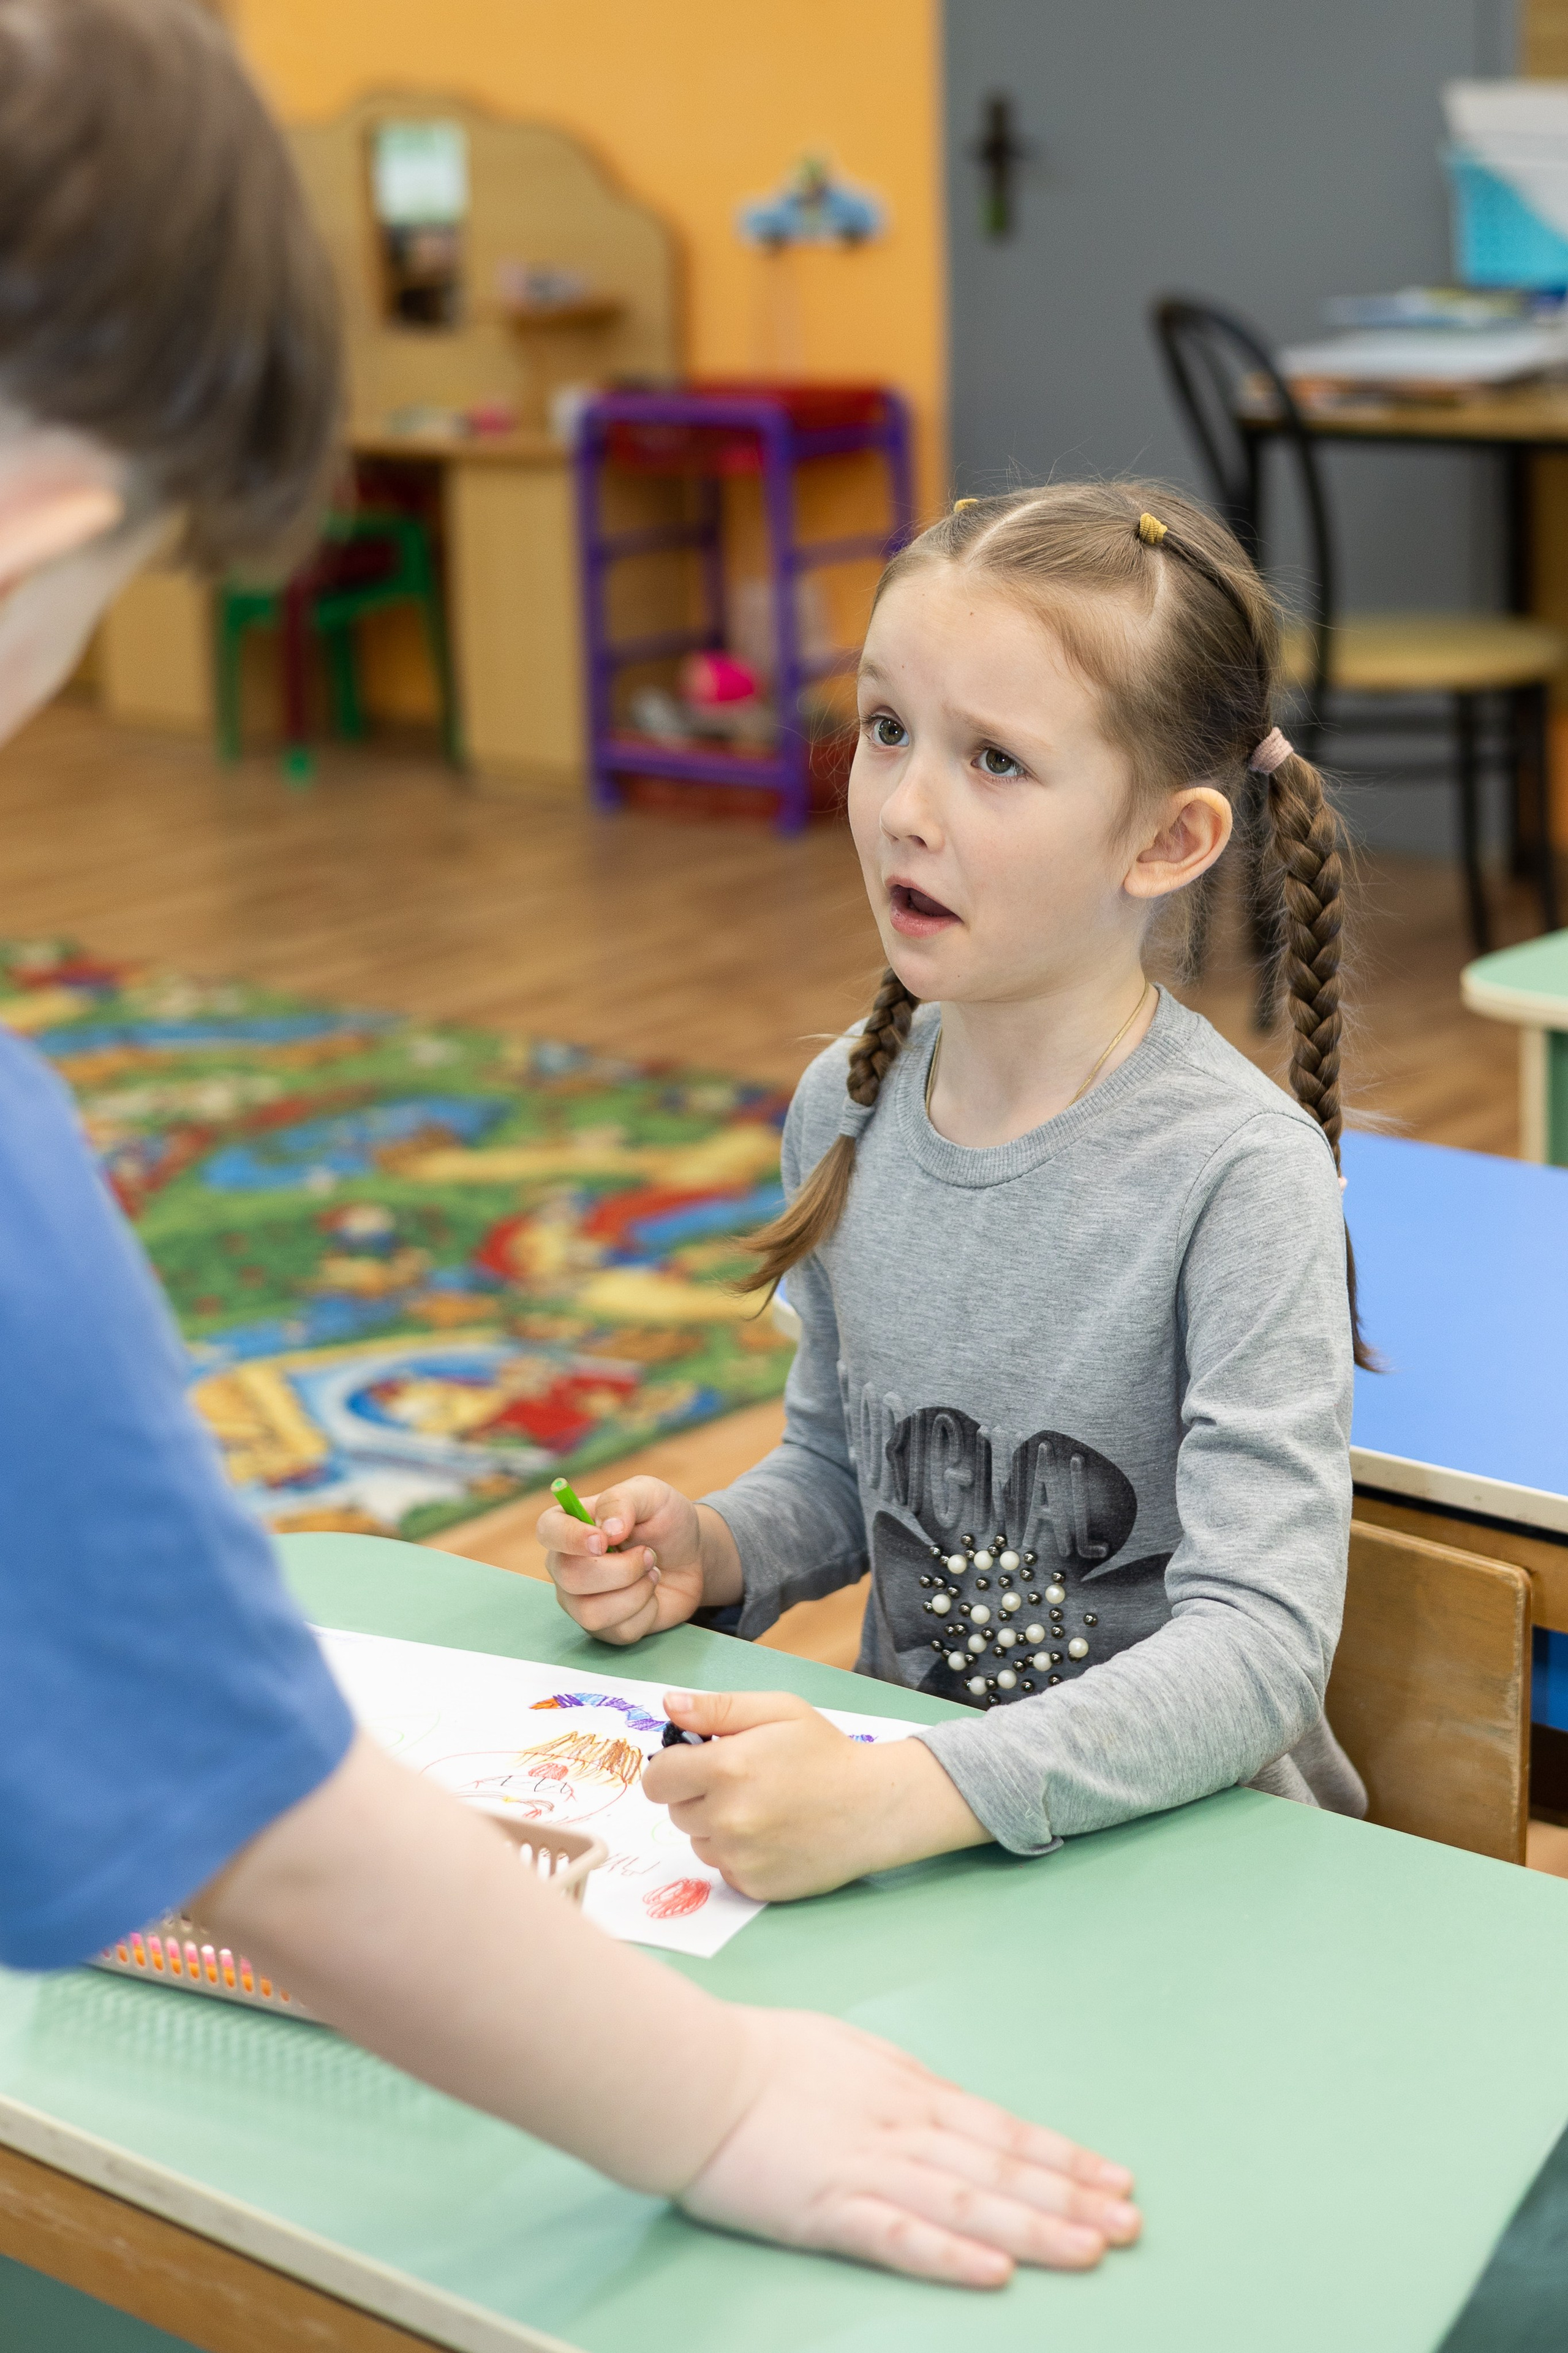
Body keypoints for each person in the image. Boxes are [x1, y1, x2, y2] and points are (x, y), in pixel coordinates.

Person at [0, 0, 1143, 2290]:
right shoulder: (858, 1102)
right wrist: (716, 2095)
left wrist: (725, 1550)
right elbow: (257, 1811)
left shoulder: (1198, 1164)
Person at [542, 482, 1371, 1903]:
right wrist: (712, 1549)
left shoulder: (1238, 1178)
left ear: (1165, 843)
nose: (903, 808)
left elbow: (1254, 1647)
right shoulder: (844, 1105)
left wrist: (896, 1796)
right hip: (922, 1842)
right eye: (884, 730)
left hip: (1195, 1878)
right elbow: (840, 1471)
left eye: (993, 760)